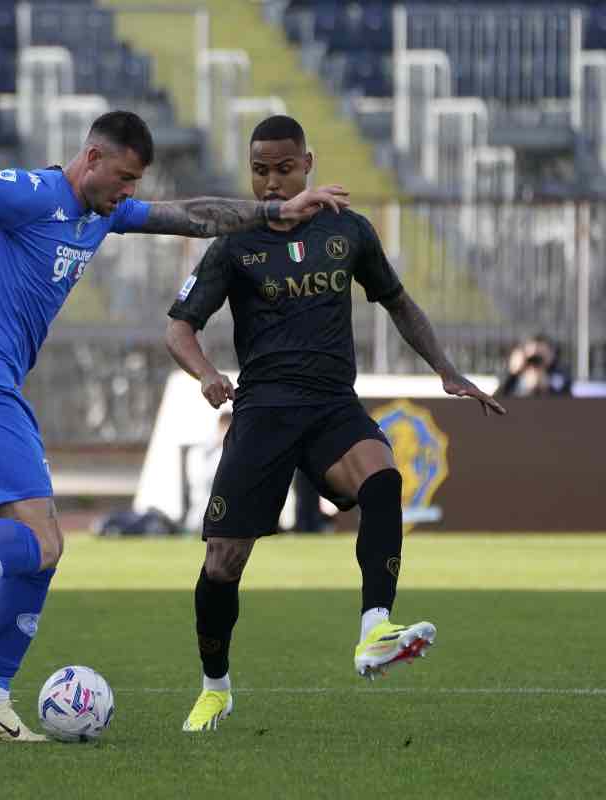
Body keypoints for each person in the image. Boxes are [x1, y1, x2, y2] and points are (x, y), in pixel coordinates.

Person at [0, 110, 349, 741]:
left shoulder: (105, 212)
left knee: (40, 552)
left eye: (136, 183)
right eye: (124, 178)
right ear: (92, 158)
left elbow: (191, 215)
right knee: (46, 543)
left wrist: (277, 214)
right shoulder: (32, 194)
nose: (129, 193)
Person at [164, 115, 506, 733]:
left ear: (309, 162)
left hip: (330, 404)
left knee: (381, 478)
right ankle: (215, 688)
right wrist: (206, 374)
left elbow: (399, 302)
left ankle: (375, 628)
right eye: (261, 170)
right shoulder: (235, 242)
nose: (272, 182)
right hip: (264, 409)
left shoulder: (349, 231)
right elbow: (179, 327)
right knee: (222, 563)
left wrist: (446, 369)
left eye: (284, 168)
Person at [496, 333, 572, 397]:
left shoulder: (560, 375)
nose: (535, 362)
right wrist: (513, 372)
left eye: (540, 356)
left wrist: (547, 387)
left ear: (551, 354)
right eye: (531, 357)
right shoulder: (514, 378)